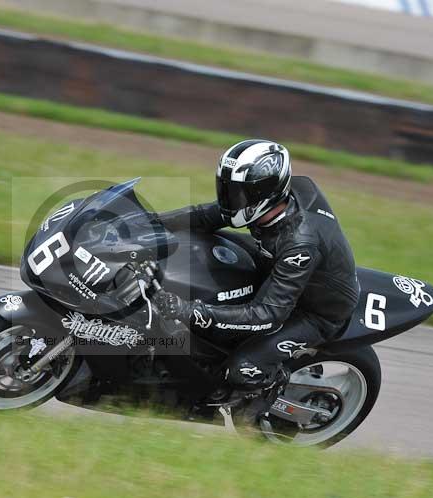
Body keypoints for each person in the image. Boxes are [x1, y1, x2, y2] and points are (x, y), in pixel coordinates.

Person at [150, 139, 360, 411]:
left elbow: (267, 316)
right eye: (227, 188)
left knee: (240, 370)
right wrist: (146, 223)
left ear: (264, 193)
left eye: (237, 192)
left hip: (313, 312)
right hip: (275, 267)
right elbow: (204, 216)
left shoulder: (299, 243)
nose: (228, 198)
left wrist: (191, 311)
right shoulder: (272, 202)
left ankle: (271, 390)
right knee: (200, 244)